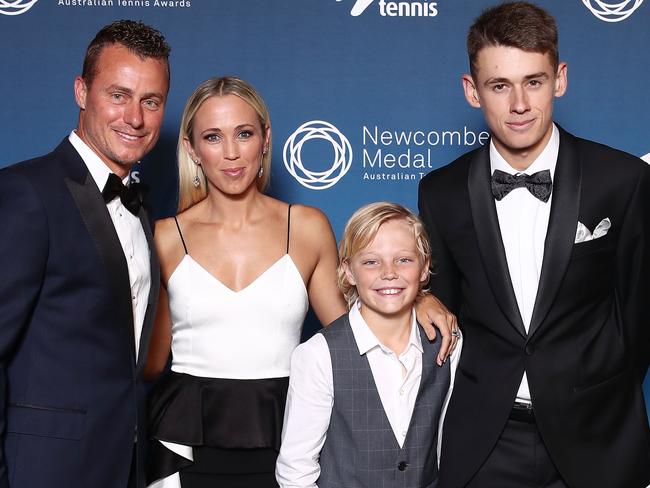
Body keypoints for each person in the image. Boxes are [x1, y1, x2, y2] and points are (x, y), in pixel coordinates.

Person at [144, 77, 458, 488]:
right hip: (183, 444)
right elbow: (149, 363)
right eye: (213, 137)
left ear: (265, 139)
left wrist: (417, 299)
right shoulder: (165, 236)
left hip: (285, 432)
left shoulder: (306, 227)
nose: (232, 152)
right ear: (192, 149)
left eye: (244, 133)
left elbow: (351, 335)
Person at [418, 2, 650, 488]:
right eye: (499, 85)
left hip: (597, 435)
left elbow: (638, 314)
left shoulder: (623, 180)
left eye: (534, 81)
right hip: (486, 440)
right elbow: (445, 309)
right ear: (472, 91)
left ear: (559, 79)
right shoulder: (440, 191)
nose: (519, 103)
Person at [0, 20, 170, 488]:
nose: (134, 118)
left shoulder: (140, 207)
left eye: (151, 101)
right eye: (118, 95)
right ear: (81, 91)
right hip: (41, 469)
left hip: (126, 468)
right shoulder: (24, 193)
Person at [276, 202, 461, 488]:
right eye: (371, 261)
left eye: (404, 260)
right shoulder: (319, 355)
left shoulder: (448, 343)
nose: (389, 272)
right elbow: (295, 470)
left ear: (424, 269)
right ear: (349, 271)